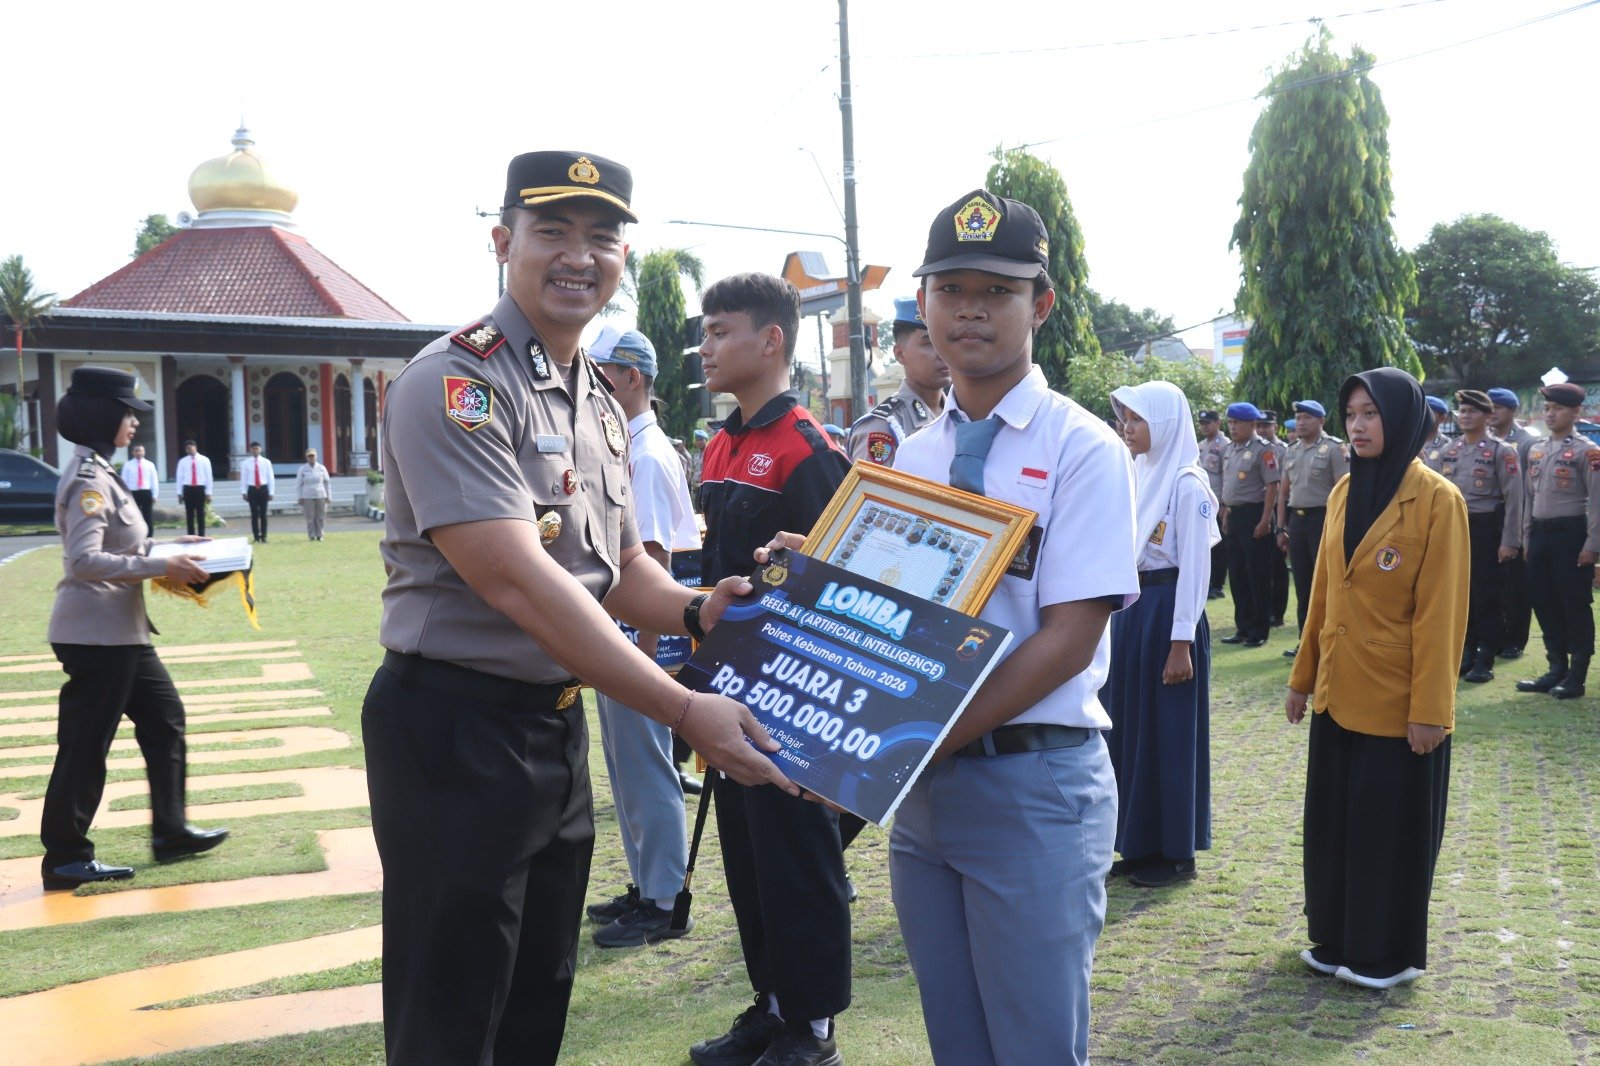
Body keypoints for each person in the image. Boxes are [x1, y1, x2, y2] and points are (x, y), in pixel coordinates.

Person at [361, 151, 797, 1066]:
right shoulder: (459, 383)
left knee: (534, 1000)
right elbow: (519, 580)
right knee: (452, 1016)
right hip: (453, 730)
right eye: (552, 230)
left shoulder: (594, 394)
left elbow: (618, 561)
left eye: (602, 236)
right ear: (502, 241)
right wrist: (683, 709)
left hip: (552, 732)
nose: (578, 255)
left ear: (624, 258)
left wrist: (695, 612)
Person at [869, 187, 1137, 1065]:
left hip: (1033, 785)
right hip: (927, 792)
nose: (969, 309)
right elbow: (895, 619)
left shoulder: (1083, 448)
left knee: (1032, 1048)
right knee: (958, 1041)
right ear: (924, 305)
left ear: (1042, 305)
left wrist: (921, 736)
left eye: (998, 290)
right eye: (949, 290)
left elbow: (1068, 641)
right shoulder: (915, 454)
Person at [693, 272, 852, 1066]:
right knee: (748, 860)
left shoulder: (808, 448)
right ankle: (773, 1003)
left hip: (794, 696)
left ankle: (813, 1025)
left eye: (721, 331)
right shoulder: (721, 441)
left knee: (797, 855)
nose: (706, 346)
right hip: (727, 689)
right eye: (705, 331)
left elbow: (835, 587)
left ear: (771, 341)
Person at [1287, 366, 1467, 990]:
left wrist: (1430, 711)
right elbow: (1321, 596)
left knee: (1383, 830)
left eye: (1371, 414)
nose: (1357, 426)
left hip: (1397, 701)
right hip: (1338, 692)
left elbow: (1442, 615)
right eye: (1352, 415)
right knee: (1334, 824)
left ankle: (1383, 954)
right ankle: (1335, 937)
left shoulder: (1439, 500)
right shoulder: (1341, 493)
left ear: (1403, 419)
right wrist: (1301, 678)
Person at [40, 367, 230, 890]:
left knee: (165, 718)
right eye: (128, 413)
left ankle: (170, 831)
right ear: (104, 414)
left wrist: (168, 548)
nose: (134, 424)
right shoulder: (88, 480)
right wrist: (158, 567)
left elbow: (123, 547)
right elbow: (85, 561)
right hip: (95, 634)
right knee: (85, 744)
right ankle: (65, 856)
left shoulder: (101, 469)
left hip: (121, 632)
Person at [583, 326, 699, 949]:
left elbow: (652, 560)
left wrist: (644, 665)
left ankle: (662, 898)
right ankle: (645, 885)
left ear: (632, 377)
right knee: (629, 771)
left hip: (642, 641)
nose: (593, 383)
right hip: (624, 637)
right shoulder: (628, 444)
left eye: (603, 373)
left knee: (647, 769)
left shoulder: (646, 454)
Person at [1102, 380, 1219, 888]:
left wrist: (1181, 643)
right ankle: (1138, 842)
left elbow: (1194, 570)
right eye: (1125, 418)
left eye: (1137, 419)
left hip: (1171, 614)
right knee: (1131, 729)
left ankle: (1175, 852)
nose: (1128, 428)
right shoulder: (1141, 472)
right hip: (1134, 610)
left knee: (1168, 734)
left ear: (1166, 423)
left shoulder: (1188, 483)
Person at [1513, 382, 1600, 700]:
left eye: (1558, 408)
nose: (1550, 414)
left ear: (1576, 412)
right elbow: (1528, 498)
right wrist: (1525, 537)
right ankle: (1555, 669)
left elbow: (1598, 501)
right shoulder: (1536, 450)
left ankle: (1576, 676)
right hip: (1540, 535)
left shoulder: (1587, 451)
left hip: (1571, 535)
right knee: (1544, 602)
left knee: (1574, 605)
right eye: (1547, 408)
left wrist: (1592, 544)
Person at [1434, 390, 1523, 683]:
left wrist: (1510, 540)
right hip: (1455, 528)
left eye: (1472, 411)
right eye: (1462, 410)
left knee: (1487, 596)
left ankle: (1485, 658)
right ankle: (1467, 653)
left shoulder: (1501, 451)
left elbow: (1514, 499)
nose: (1465, 416)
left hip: (1487, 529)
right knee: (1460, 595)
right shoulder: (1451, 450)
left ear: (1487, 416)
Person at [1275, 400, 1349, 659]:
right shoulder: (1292, 450)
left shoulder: (1334, 449)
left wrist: (1338, 527)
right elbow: (1284, 491)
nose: (1300, 422)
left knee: (1326, 582)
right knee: (1303, 583)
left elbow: (1344, 490)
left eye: (1306, 417)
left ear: (1321, 421)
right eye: (1298, 417)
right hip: (1298, 520)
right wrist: (1281, 528)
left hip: (1323, 519)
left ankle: (1328, 640)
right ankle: (1304, 641)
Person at [845, 296, 949, 466]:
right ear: (899, 354)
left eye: (945, 341)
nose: (942, 353)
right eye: (929, 343)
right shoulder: (883, 428)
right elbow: (873, 492)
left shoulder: (960, 415)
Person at [1218, 401, 1280, 647]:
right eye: (1230, 423)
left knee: (1257, 575)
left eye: (1238, 423)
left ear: (1252, 424)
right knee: (1237, 574)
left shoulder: (1262, 450)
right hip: (1234, 516)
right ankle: (1242, 627)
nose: (1232, 427)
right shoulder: (1230, 449)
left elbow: (1272, 486)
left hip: (1255, 514)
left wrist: (1265, 520)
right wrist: (1226, 514)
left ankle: (1259, 630)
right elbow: (1227, 485)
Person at [1489, 387, 1537, 660]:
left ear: (1513, 411)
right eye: (1490, 407)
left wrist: (1521, 530)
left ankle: (1515, 640)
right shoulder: (1484, 440)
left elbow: (1528, 490)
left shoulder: (1527, 441)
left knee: (1515, 585)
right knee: (1491, 582)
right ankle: (1495, 636)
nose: (1493, 412)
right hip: (1489, 517)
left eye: (1500, 407)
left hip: (1517, 517)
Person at [1258, 410, 1291, 627]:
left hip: (1279, 510)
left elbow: (1285, 486)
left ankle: (1277, 613)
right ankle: (1263, 609)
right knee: (1262, 566)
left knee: (1278, 566)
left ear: (1275, 426)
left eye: (1266, 426)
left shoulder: (1283, 450)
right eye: (1259, 426)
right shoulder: (1255, 449)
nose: (1262, 430)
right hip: (1259, 511)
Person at [1197, 409, 1229, 599]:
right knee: (1206, 545)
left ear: (1218, 423)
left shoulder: (1225, 444)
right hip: (1204, 502)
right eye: (1201, 423)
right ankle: (1208, 582)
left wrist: (1224, 503)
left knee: (1219, 547)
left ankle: (1218, 584)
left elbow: (1227, 476)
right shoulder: (1201, 445)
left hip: (1218, 501)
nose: (1204, 426)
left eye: (1208, 422)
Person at [173, 439, 212, 536]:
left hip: (199, 488)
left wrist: (209, 492)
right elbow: (179, 478)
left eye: (190, 448)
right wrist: (179, 493)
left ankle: (201, 536)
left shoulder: (204, 460)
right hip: (188, 489)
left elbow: (209, 477)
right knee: (189, 514)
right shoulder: (182, 462)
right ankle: (191, 535)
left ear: (195, 447)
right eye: (187, 449)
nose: (189, 450)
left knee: (200, 514)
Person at [239, 441, 274, 543]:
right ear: (250, 450)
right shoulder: (245, 463)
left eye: (257, 449)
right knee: (254, 514)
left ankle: (264, 536)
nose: (255, 451)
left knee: (263, 514)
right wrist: (243, 491)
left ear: (260, 449)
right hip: (252, 489)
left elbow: (270, 478)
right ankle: (256, 537)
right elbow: (243, 478)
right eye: (253, 449)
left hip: (263, 488)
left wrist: (271, 492)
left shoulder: (266, 462)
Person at [118, 443, 159, 529]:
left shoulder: (150, 465)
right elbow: (124, 481)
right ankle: (137, 535)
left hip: (146, 492)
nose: (138, 453)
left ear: (144, 452)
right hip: (133, 493)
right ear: (133, 453)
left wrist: (155, 495)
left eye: (140, 450)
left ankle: (149, 536)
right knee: (134, 515)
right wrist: (124, 495)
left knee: (148, 515)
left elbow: (154, 481)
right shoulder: (128, 465)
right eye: (136, 451)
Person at [295, 448, 331, 541]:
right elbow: (299, 484)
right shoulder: (303, 469)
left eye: (313, 456)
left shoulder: (322, 468)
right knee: (309, 517)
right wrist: (299, 496)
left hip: (321, 494)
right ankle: (311, 535)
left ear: (316, 456)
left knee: (321, 516)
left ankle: (320, 535)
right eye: (309, 456)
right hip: (307, 495)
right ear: (307, 457)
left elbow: (327, 482)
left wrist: (329, 496)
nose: (311, 458)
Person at [1420, 395, 1451, 464]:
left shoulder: (1447, 445)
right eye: (1421, 411)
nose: (1423, 416)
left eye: (1428, 413)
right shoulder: (1410, 442)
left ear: (1442, 418)